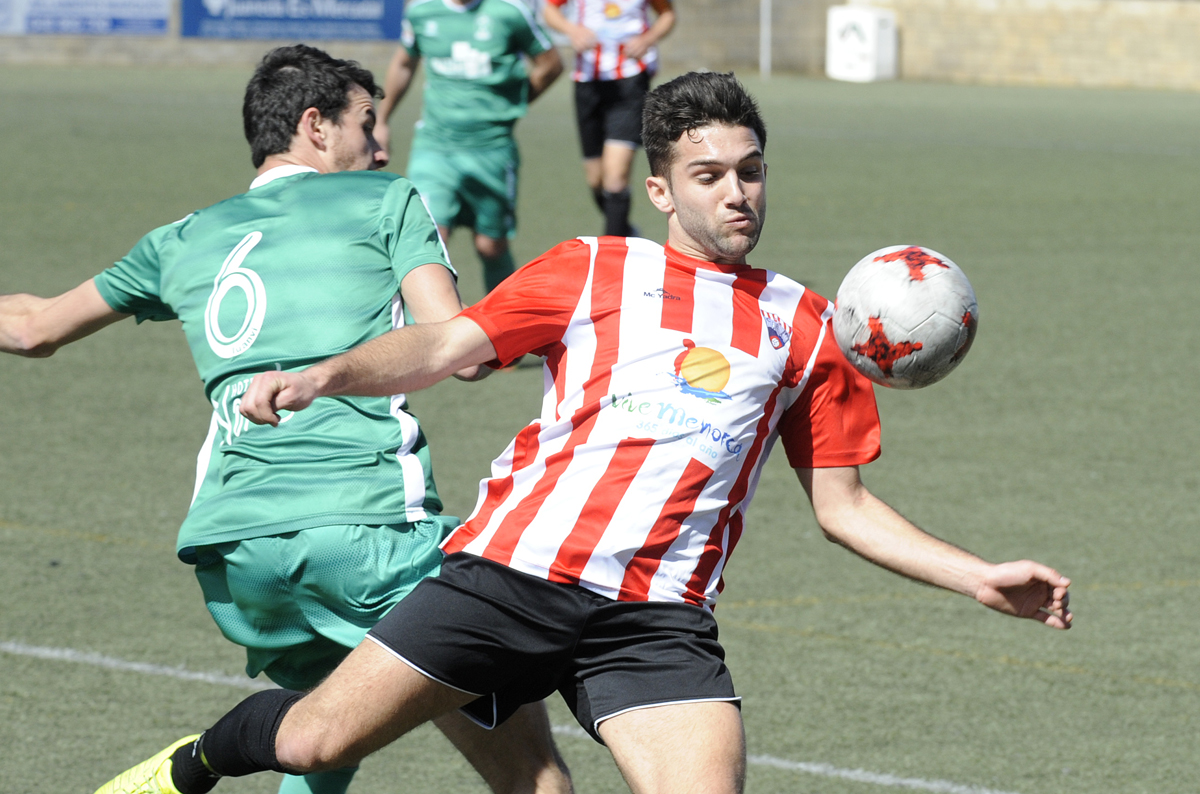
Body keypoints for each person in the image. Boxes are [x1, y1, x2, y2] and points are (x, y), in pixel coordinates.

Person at [96, 71, 1071, 794]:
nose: (737, 193)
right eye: (709, 174)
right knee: (313, 740)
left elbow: (844, 507)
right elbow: (443, 342)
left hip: (654, 621)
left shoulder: (807, 323)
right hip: (505, 576)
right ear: (661, 191)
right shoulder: (591, 269)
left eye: (751, 171)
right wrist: (325, 372)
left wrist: (976, 574)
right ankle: (191, 763)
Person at [0, 44, 570, 794]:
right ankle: (190, 766)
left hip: (240, 560)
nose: (382, 142)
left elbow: (34, 327)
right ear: (316, 126)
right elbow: (457, 349)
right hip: (367, 536)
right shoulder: (387, 199)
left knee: (324, 740)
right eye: (368, 122)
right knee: (535, 777)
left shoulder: (184, 235)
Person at [374, 0, 563, 294]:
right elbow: (403, 63)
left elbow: (550, 64)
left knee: (491, 246)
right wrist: (382, 120)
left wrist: (513, 104)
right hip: (434, 148)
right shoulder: (421, 11)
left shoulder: (509, 11)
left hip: (492, 149)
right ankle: (433, 333)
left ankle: (504, 329)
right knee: (429, 242)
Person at [542, 0, 675, 237]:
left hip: (631, 81)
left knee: (615, 179)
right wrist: (572, 30)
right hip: (587, 83)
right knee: (596, 180)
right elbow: (549, 9)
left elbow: (667, 15)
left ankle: (612, 254)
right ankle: (625, 231)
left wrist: (647, 39)